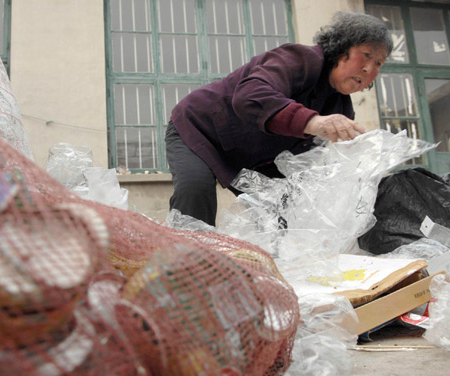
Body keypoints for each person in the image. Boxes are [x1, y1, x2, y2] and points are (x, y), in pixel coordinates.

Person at [165, 11, 393, 226]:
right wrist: (313, 122)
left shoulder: (341, 110)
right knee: (195, 191)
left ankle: (277, 266)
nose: (368, 69)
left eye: (378, 63)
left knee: (284, 214)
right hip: (200, 129)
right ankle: (182, 265)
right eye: (366, 55)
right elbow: (250, 95)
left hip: (250, 160)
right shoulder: (300, 59)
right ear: (342, 48)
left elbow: (316, 163)